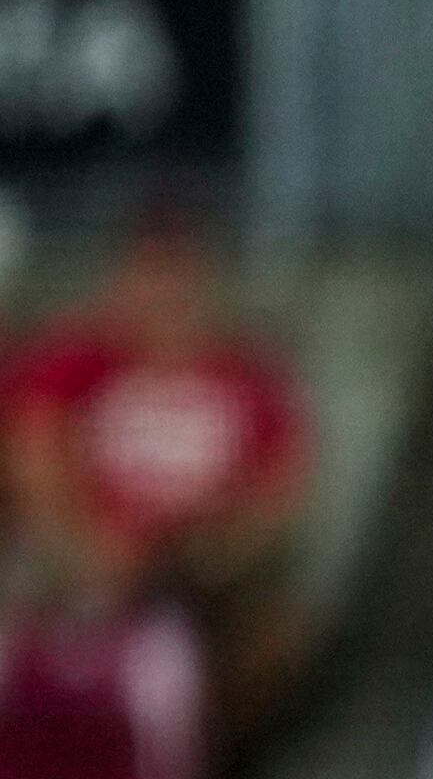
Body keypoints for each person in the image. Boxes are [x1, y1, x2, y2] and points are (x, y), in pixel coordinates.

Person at [0, 198, 312, 725]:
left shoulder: (247, 373)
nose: (166, 297)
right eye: (151, 277)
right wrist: (82, 548)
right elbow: (33, 453)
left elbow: (278, 490)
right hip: (76, 563)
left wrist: (209, 553)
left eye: (180, 280)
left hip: (197, 580)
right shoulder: (76, 360)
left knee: (276, 641)